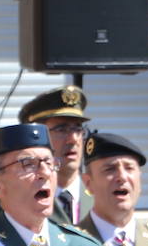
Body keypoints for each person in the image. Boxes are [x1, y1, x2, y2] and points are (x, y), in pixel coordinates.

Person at [18, 85, 93, 226]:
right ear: (37, 138)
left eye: (78, 129)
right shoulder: (19, 199)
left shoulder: (100, 195)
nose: (73, 139)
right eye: (61, 129)